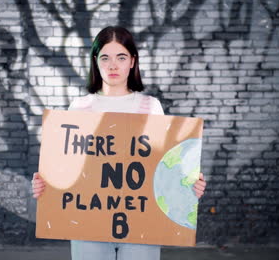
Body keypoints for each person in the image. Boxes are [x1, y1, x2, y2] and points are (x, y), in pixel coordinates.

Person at [32, 26, 207, 260]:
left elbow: (163, 165)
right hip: (88, 220)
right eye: (105, 58)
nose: (113, 65)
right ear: (96, 62)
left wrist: (188, 184)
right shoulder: (79, 107)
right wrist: (47, 186)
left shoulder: (151, 106)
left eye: (121, 57)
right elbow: (68, 169)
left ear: (132, 61)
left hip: (141, 220)